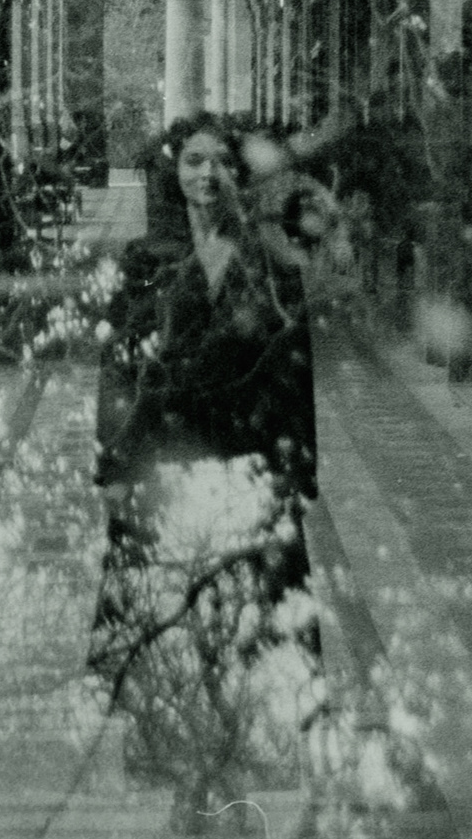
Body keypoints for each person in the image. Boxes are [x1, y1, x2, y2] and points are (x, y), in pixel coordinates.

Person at [88, 113, 324, 824]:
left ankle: (240, 787)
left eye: (220, 160)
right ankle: (185, 789)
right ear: (175, 169)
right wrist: (115, 464)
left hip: (245, 466)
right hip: (168, 466)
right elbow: (117, 367)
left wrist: (298, 468)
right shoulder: (144, 262)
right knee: (172, 633)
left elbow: (293, 366)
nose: (206, 174)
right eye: (193, 159)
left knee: (249, 630)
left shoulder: (272, 261)